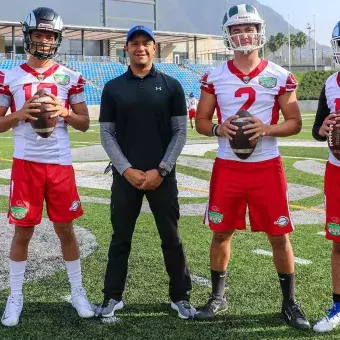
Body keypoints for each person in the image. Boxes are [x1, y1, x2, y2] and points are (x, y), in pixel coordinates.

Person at [194, 3, 310, 330]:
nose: (243, 34)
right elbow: (201, 121)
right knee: (221, 233)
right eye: (236, 30)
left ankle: (289, 303)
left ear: (260, 33)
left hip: (266, 168)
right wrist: (219, 128)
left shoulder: (279, 75)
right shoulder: (214, 76)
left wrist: (266, 129)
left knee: (279, 235)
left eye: (249, 29)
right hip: (228, 168)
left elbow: (295, 122)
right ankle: (217, 297)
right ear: (228, 35)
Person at [0, 7, 93, 327]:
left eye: (49, 35)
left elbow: (84, 123)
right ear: (27, 36)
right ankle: (16, 296)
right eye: (38, 34)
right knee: (22, 232)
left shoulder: (70, 76)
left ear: (57, 39)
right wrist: (20, 113)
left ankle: (78, 291)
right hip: (26, 165)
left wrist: (64, 112)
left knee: (65, 230)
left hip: (59, 165)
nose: (44, 41)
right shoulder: (9, 76)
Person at [95, 25, 195, 319]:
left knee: (171, 238)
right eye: (134, 43)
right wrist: (125, 170)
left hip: (162, 176)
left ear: (154, 48)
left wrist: (162, 170)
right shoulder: (113, 88)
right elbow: (106, 134)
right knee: (120, 239)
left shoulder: (172, 86)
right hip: (126, 178)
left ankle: (181, 296)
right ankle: (112, 297)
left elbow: (180, 132)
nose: (140, 48)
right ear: (125, 48)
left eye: (145, 43)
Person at [312, 21, 340, 333]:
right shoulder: (330, 84)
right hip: (337, 173)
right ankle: (338, 306)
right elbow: (318, 130)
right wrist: (322, 130)